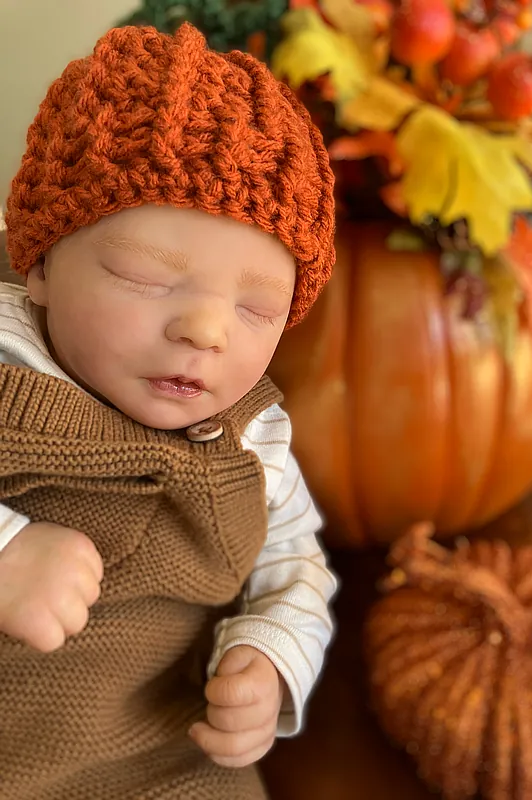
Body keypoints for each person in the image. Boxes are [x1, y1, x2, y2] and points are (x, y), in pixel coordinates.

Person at [0, 21, 337, 799]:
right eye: (148, 278)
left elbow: (297, 571)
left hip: (155, 747)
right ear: (43, 261)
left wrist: (271, 656)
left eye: (258, 310)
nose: (207, 330)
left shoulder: (256, 445)